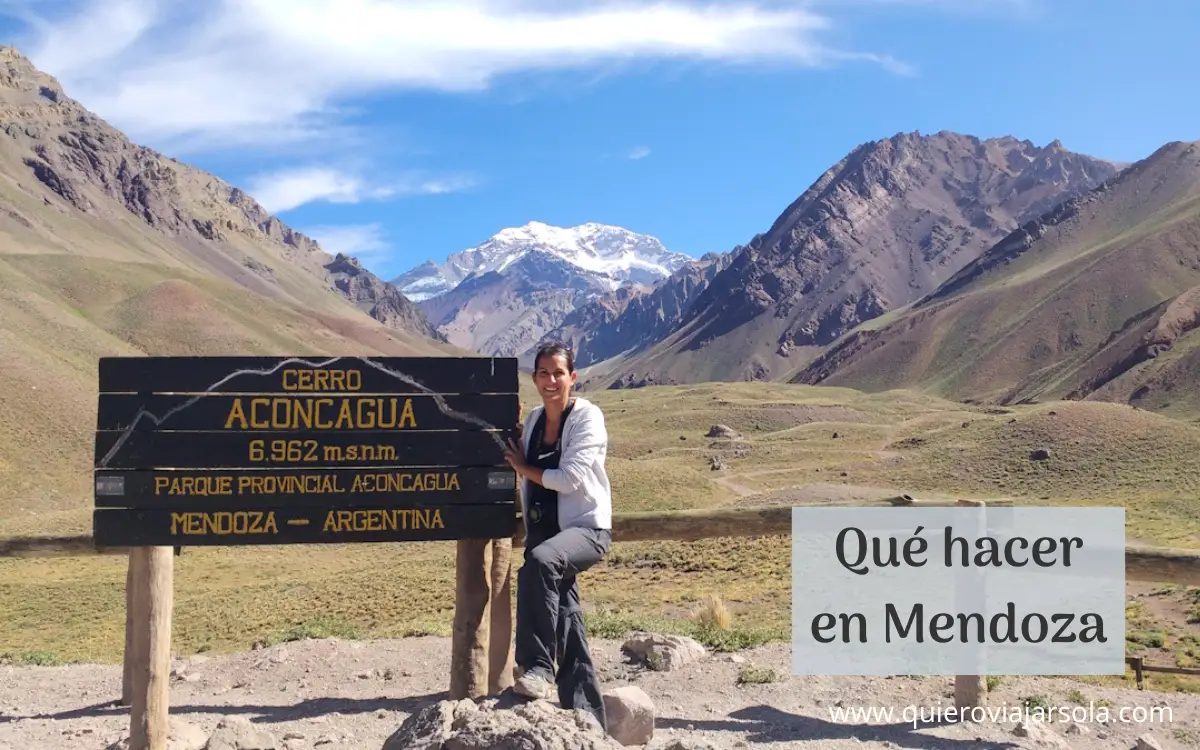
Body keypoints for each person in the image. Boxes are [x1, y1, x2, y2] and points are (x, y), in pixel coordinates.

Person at [503, 341, 613, 730]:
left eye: (558, 373)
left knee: (539, 564)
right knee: (567, 622)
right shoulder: (535, 420)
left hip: (585, 530)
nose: (551, 381)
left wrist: (523, 469)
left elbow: (569, 479)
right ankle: (588, 719)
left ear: (573, 377)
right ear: (534, 378)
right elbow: (514, 448)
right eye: (543, 373)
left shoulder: (587, 418)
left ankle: (537, 668)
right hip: (544, 534)